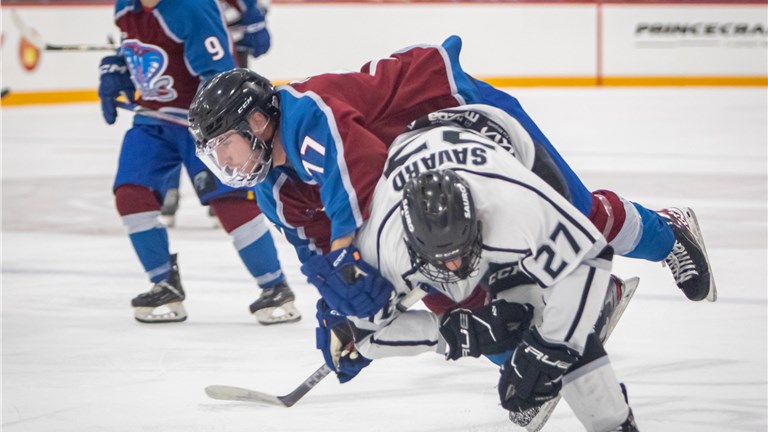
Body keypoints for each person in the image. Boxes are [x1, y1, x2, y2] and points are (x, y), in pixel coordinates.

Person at [187, 35, 715, 320]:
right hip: (427, 163)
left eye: (223, 147)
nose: (224, 165)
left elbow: (360, 183)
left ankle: (667, 232)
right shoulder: (271, 186)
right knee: (438, 274)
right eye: (213, 156)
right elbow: (315, 249)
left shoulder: (305, 112)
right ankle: (514, 360)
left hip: (468, 115)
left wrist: (354, 260)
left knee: (576, 221)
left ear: (257, 121)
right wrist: (340, 313)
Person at [319, 105, 640, 430]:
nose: (454, 267)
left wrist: (549, 349)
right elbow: (365, 336)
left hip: (502, 143)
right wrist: (454, 334)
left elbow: (587, 257)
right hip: (419, 151)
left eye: (459, 251)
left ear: (477, 219)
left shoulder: (511, 204)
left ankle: (611, 418)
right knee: (542, 315)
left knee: (550, 307)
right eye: (441, 259)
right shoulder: (381, 249)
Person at [98, 0, 299, 325]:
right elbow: (132, 48)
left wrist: (211, 122)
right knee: (131, 195)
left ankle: (274, 286)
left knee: (230, 202)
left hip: (203, 126)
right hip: (152, 122)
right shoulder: (125, 7)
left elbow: (219, 76)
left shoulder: (192, 7)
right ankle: (163, 283)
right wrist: (115, 68)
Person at [160, 0, 271, 228]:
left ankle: (226, 188)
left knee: (224, 123)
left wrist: (253, 19)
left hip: (227, 50)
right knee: (181, 124)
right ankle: (169, 188)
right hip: (189, 52)